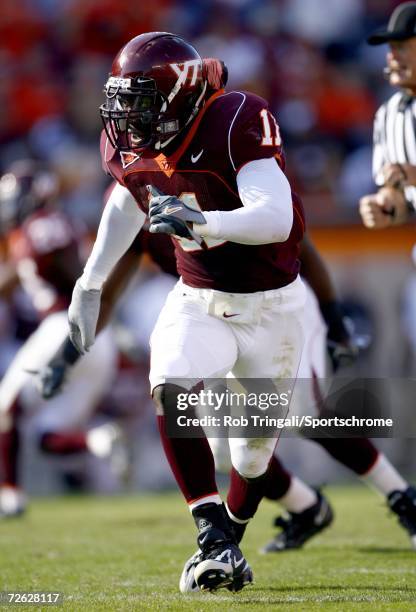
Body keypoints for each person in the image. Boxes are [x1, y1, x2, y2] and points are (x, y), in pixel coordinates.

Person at [66, 33, 306, 593]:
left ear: (177, 95)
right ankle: (210, 533)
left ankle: (227, 550)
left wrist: (206, 223)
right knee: (168, 378)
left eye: (141, 100)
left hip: (272, 307)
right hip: (199, 297)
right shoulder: (135, 140)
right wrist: (91, 280)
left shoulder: (235, 116)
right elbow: (130, 194)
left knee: (252, 461)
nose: (127, 116)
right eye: (122, 100)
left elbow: (275, 217)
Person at [0, 161, 118, 517]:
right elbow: (18, 276)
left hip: (65, 327)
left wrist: (84, 307)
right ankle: (101, 441)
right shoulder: (48, 226)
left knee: (6, 407)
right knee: (48, 435)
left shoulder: (42, 226)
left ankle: (10, 497)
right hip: (101, 336)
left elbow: (73, 274)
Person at [360, 2, 416, 229]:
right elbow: (404, 200)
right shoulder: (388, 113)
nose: (392, 56)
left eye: (402, 46)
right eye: (391, 47)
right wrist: (386, 207)